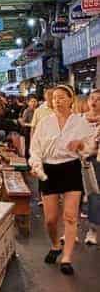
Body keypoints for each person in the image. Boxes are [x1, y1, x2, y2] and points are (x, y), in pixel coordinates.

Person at [30, 84, 97, 275]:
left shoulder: (79, 122)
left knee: (70, 216)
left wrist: (82, 144)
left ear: (71, 100)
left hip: (71, 168)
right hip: (49, 169)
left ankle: (67, 257)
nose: (57, 101)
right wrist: (36, 165)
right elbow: (35, 149)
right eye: (54, 98)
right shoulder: (45, 123)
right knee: (51, 219)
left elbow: (91, 146)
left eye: (61, 97)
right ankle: (54, 244)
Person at [83, 89, 100, 247]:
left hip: (95, 162)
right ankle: (69, 230)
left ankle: (93, 229)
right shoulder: (80, 119)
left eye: (98, 99)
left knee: (95, 195)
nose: (94, 102)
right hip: (77, 161)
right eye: (92, 98)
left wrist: (92, 151)